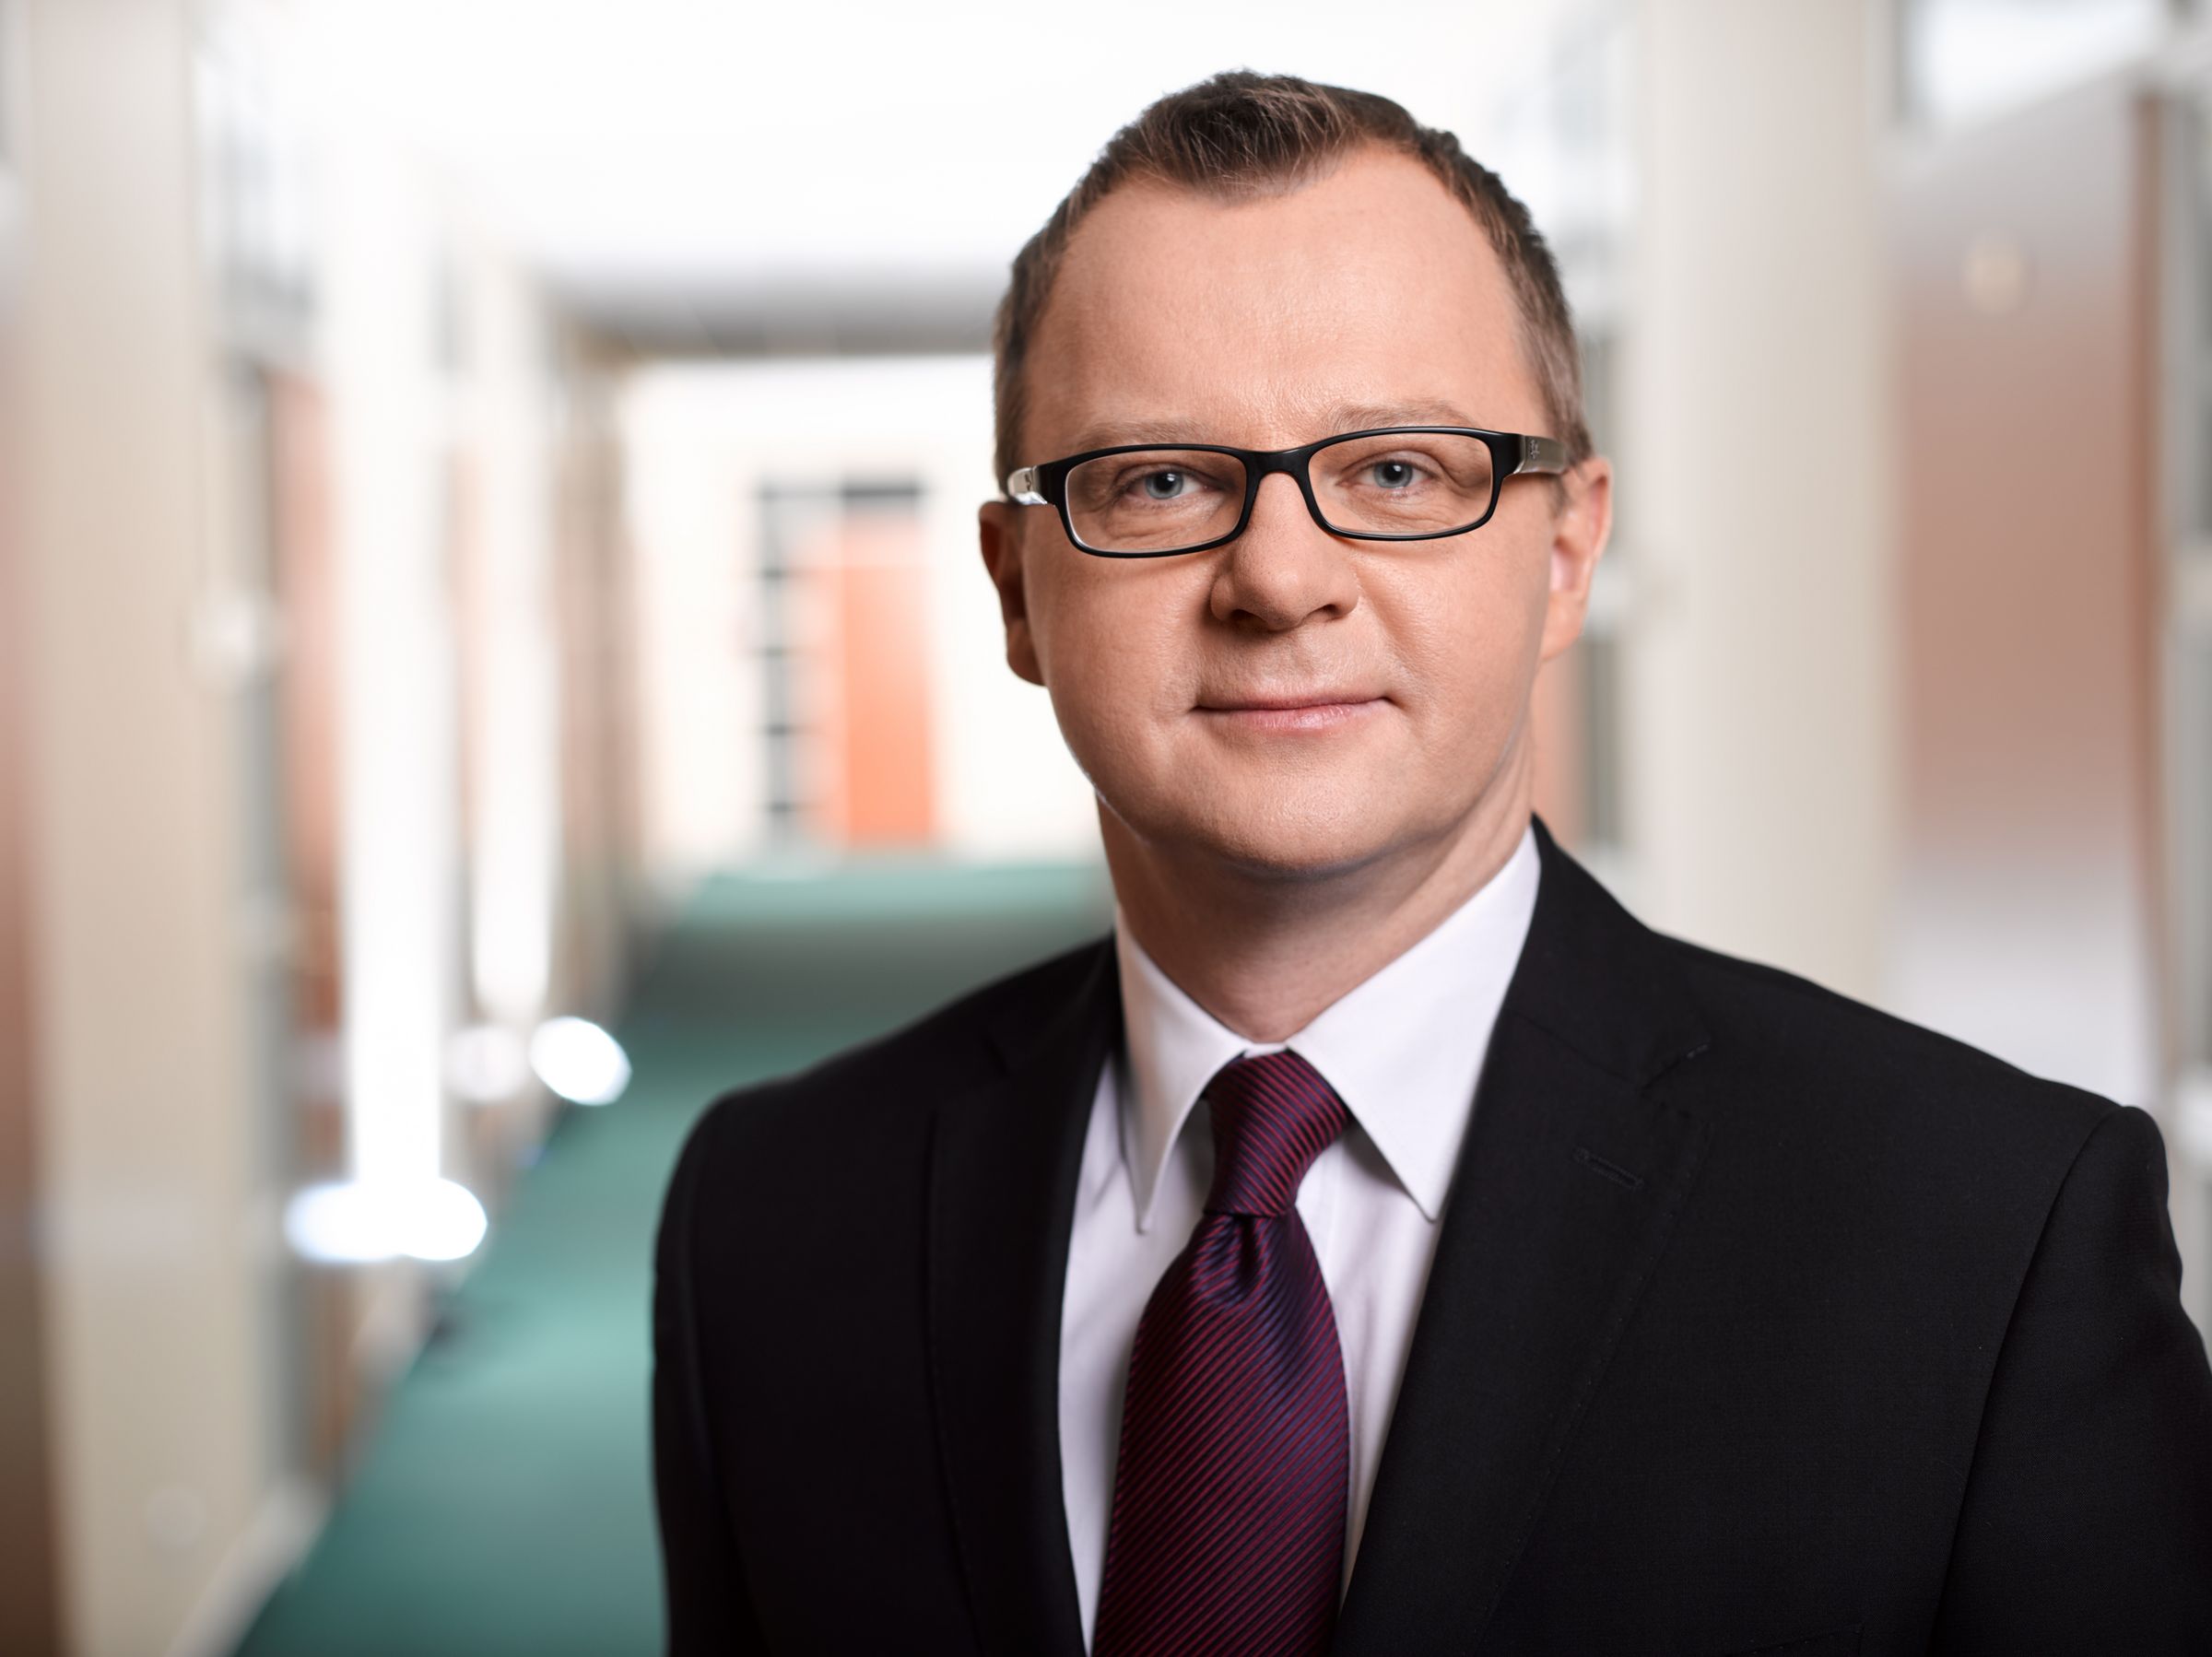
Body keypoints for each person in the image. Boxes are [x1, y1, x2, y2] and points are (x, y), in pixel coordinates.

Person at [651, 71, 2212, 1656]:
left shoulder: (1986, 1237)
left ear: (1566, 551)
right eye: (1161, 480)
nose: (1280, 579)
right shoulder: (768, 1223)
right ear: (1014, 591)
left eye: (1397, 470)